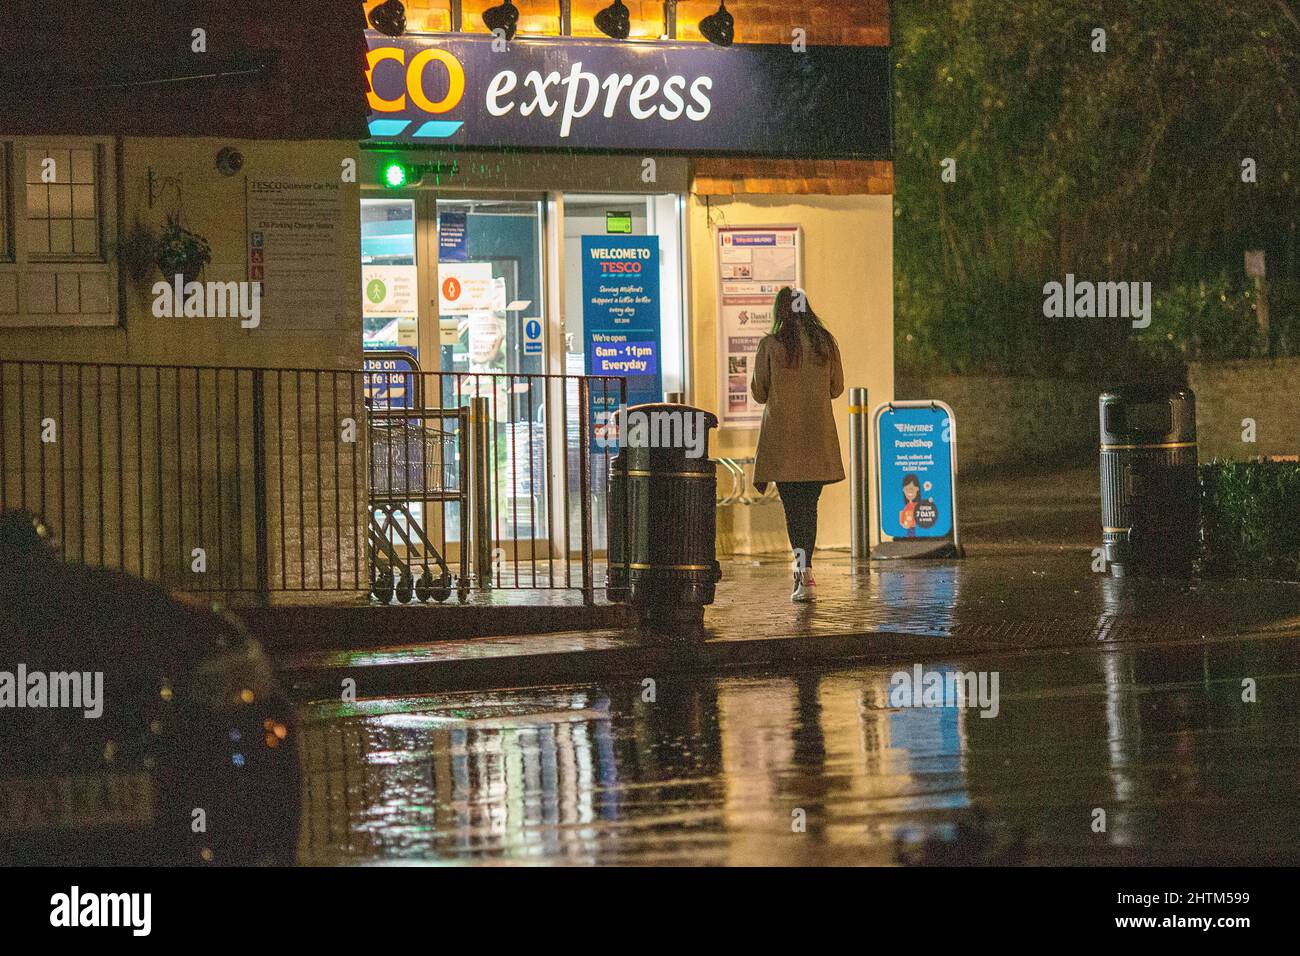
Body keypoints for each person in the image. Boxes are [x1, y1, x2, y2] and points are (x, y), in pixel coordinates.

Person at [750, 286, 845, 602]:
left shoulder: (771, 346)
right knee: (809, 508)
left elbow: (760, 392)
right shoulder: (825, 345)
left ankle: (803, 573)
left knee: (794, 510)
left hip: (784, 443)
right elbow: (837, 388)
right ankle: (805, 571)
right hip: (817, 442)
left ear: (780, 312)